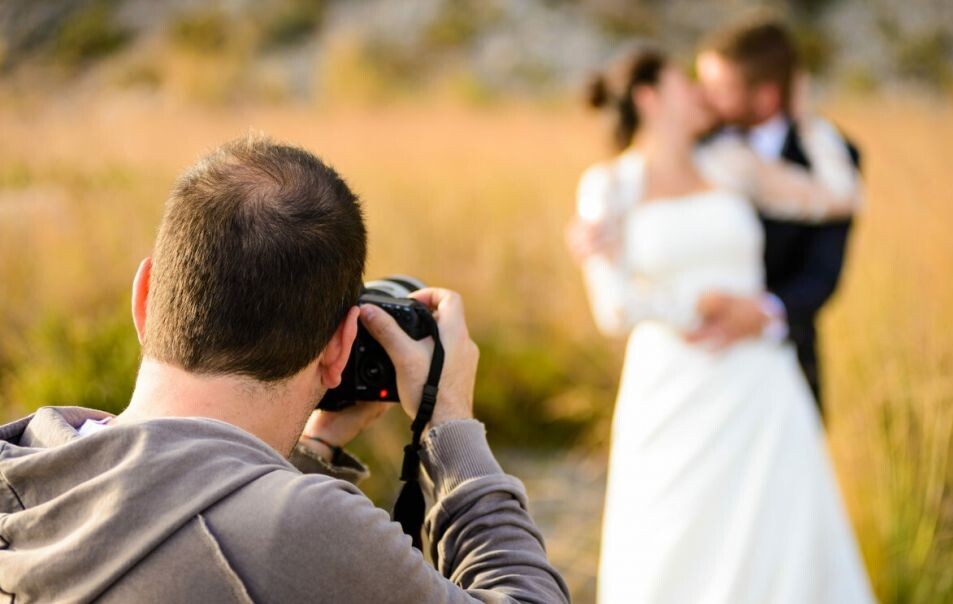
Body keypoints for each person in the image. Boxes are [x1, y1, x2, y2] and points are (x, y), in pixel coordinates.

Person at [0, 136, 570, 603]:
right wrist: (451, 424)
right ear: (340, 347)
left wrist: (310, 450)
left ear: (145, 297)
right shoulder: (303, 533)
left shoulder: (26, 470)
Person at [566, 47, 874, 603]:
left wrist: (807, 119)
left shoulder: (731, 163)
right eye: (684, 83)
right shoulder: (608, 185)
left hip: (761, 385)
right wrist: (701, 303)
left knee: (783, 536)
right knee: (673, 535)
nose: (700, 92)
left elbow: (842, 198)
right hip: (671, 387)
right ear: (649, 98)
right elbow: (612, 308)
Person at [694, 18, 863, 412]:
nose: (704, 97)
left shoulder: (832, 158)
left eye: (721, 89)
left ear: (767, 97)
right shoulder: (696, 144)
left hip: (787, 357)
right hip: (701, 355)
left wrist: (763, 313)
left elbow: (823, 273)